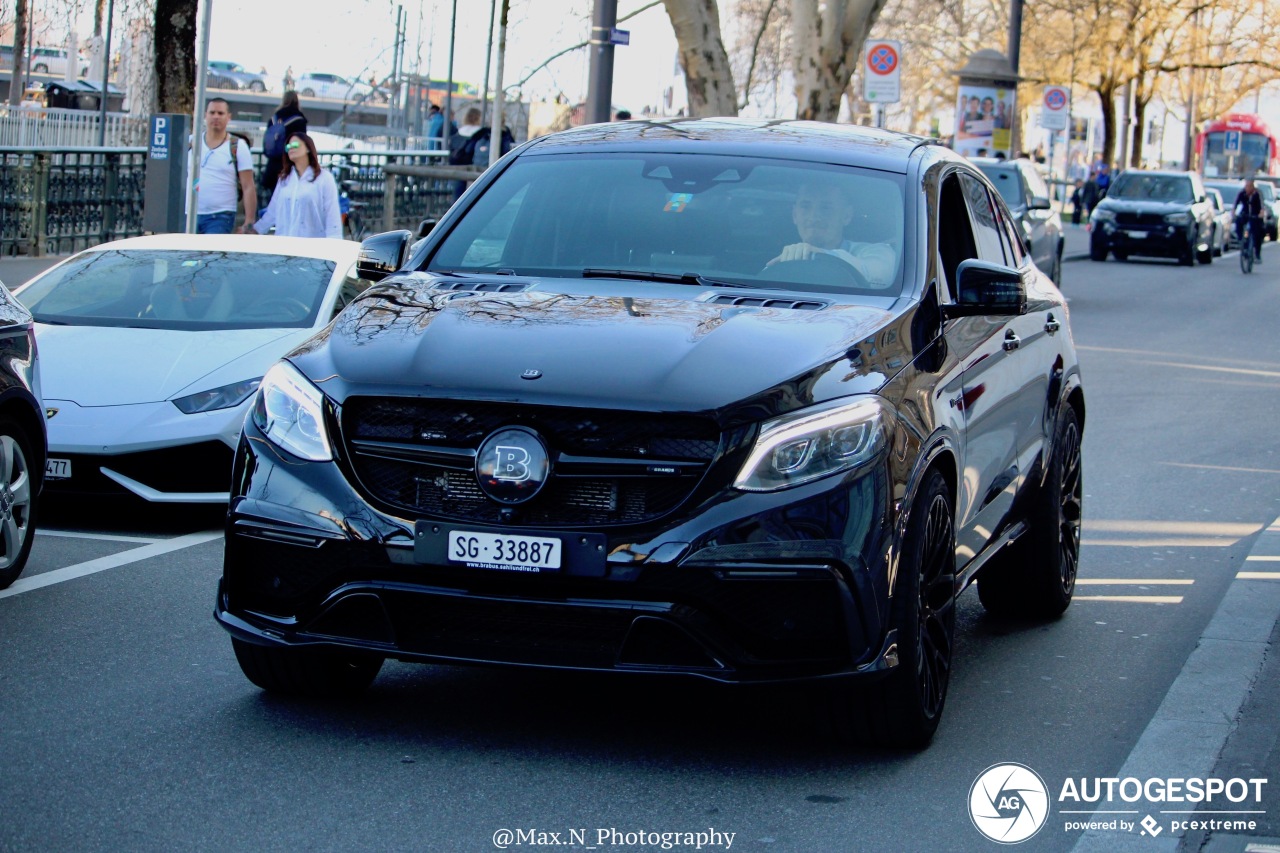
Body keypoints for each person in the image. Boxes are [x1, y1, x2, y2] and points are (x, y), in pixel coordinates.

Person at [766, 182, 895, 287]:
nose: (814, 217)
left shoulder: (876, 252)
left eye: (825, 208)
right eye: (805, 206)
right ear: (794, 215)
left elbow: (880, 277)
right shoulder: (780, 264)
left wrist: (819, 254)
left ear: (846, 216)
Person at [251, 133, 342, 238]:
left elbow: (332, 216)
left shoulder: (324, 178)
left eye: (295, 145)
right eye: (288, 147)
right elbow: (272, 212)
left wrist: (334, 245)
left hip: (312, 246)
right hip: (284, 245)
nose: (291, 149)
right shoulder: (284, 179)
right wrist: (255, 230)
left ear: (308, 148)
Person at [193, 97, 256, 234]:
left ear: (228, 117)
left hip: (221, 215)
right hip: (190, 213)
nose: (216, 117)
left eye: (220, 113)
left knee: (212, 255)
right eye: (212, 112)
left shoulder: (238, 146)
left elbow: (248, 186)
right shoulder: (192, 142)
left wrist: (249, 222)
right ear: (205, 115)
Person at [260, 90, 307, 192]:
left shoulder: (274, 119)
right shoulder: (299, 120)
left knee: (274, 202)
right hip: (290, 166)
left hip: (272, 167)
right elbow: (302, 143)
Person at [1234, 179, 1265, 264]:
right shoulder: (1242, 193)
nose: (1247, 188)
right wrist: (1234, 211)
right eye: (1246, 186)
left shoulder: (1258, 193)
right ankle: (1242, 241)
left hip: (1255, 215)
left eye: (1249, 186)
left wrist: (1261, 213)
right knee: (1238, 223)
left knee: (1257, 233)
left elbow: (1262, 205)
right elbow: (1236, 203)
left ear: (1252, 186)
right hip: (1245, 213)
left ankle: (1257, 254)